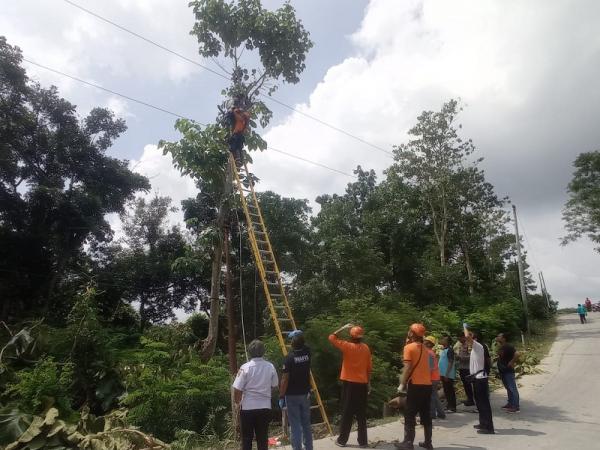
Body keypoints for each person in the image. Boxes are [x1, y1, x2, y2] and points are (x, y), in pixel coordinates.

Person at [328, 323, 372, 448]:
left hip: (349, 384)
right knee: (361, 414)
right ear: (361, 336)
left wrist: (343, 328)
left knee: (347, 412)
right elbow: (369, 368)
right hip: (362, 384)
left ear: (351, 336)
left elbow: (331, 337)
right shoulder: (366, 348)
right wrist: (369, 383)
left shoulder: (347, 346)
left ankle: (342, 440)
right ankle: (363, 442)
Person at [233, 339, 279, 450]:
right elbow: (275, 384)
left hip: (248, 407)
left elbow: (237, 389)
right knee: (262, 438)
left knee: (247, 439)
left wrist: (237, 403)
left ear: (249, 352)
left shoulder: (245, 367)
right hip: (264, 407)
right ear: (263, 351)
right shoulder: (270, 366)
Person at [395, 323, 433, 450]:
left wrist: (402, 383)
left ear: (412, 333)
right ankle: (428, 442)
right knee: (425, 413)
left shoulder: (409, 348)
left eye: (409, 330)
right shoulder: (425, 349)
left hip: (415, 385)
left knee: (409, 414)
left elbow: (408, 367)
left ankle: (408, 442)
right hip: (427, 385)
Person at [280, 330, 313, 450]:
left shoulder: (289, 359)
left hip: (292, 395)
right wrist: (299, 336)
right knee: (306, 424)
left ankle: (297, 448)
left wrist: (281, 396)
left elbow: (285, 379)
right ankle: (309, 447)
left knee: (295, 425)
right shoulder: (307, 353)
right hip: (305, 393)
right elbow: (306, 346)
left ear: (292, 344)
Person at [464, 325, 494, 435]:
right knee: (480, 403)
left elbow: (467, 336)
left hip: (480, 379)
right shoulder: (476, 348)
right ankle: (483, 423)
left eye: (472, 337)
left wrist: (464, 326)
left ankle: (489, 427)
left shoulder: (478, 346)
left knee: (484, 403)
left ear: (475, 339)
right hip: (477, 378)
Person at [495, 333, 520, 413]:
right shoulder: (501, 346)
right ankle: (510, 403)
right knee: (508, 388)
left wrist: (512, 362)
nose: (497, 337)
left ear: (504, 338)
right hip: (503, 370)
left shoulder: (508, 346)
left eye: (499, 336)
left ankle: (515, 406)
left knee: (512, 388)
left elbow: (517, 354)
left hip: (508, 371)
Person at [424, 336, 445, 420]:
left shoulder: (429, 353)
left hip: (432, 378)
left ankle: (432, 414)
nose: (424, 342)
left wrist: (426, 378)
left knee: (432, 397)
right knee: (435, 396)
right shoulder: (430, 352)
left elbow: (430, 368)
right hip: (435, 377)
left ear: (429, 343)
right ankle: (441, 413)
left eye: (425, 341)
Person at [454, 335, 475, 406]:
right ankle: (469, 398)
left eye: (460, 337)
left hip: (467, 368)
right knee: (465, 384)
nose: (459, 339)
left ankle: (471, 399)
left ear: (464, 337)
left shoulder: (468, 345)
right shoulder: (461, 345)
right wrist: (457, 357)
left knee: (468, 384)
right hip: (461, 367)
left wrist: (460, 357)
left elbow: (471, 356)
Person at [439, 335, 457, 413]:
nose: (442, 340)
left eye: (444, 339)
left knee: (450, 391)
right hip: (443, 374)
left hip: (448, 375)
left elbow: (450, 362)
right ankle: (449, 405)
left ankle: (452, 407)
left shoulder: (450, 350)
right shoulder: (444, 350)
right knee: (446, 391)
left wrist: (447, 374)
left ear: (447, 342)